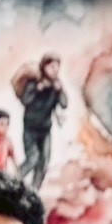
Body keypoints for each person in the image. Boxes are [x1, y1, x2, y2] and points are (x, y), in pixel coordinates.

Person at [18, 53, 67, 189]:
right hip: (31, 128)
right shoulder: (34, 82)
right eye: (52, 67)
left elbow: (64, 104)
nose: (55, 70)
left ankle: (34, 190)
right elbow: (25, 100)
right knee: (32, 159)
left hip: (45, 129)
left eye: (57, 67)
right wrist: (37, 89)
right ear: (44, 67)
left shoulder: (56, 85)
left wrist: (60, 90)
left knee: (44, 162)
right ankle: (13, 180)